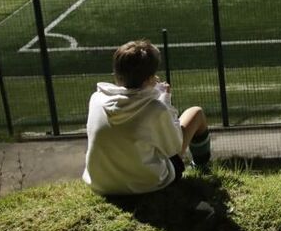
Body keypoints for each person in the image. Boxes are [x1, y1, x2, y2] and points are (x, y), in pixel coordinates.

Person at [83, 40, 212, 195]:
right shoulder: (156, 109)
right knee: (196, 113)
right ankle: (201, 167)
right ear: (150, 78)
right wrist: (165, 99)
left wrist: (151, 93)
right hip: (147, 185)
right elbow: (174, 147)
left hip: (101, 184)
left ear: (116, 74)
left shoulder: (96, 98)